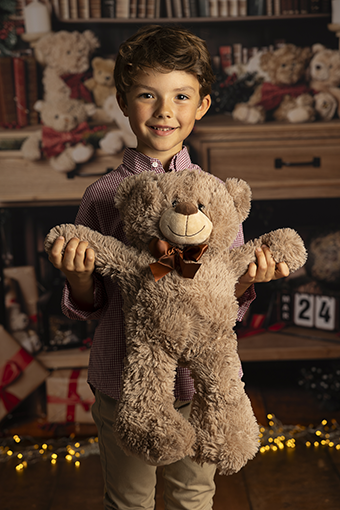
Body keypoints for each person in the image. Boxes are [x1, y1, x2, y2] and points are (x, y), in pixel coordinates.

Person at [48, 25, 289, 510]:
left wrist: (248, 278)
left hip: (199, 383)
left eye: (181, 96)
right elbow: (92, 304)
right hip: (125, 381)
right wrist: (77, 278)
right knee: (130, 498)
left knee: (193, 495)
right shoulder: (102, 197)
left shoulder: (217, 199)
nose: (164, 111)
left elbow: (223, 300)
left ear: (200, 106)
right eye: (147, 95)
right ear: (123, 101)